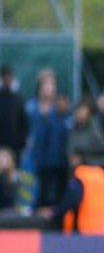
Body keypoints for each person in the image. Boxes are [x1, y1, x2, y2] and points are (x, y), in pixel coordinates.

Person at [41, 152, 104, 236]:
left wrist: (54, 213)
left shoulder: (81, 176)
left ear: (78, 158)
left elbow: (71, 200)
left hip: (84, 230)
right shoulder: (102, 175)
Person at [28, 70, 70, 208]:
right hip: (33, 155)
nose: (48, 87)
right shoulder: (30, 106)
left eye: (51, 84)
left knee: (52, 193)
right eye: (45, 84)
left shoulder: (61, 108)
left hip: (55, 158)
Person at [68, 100, 104, 172]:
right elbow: (70, 146)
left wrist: (82, 156)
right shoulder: (74, 128)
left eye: (82, 111)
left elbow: (103, 146)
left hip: (95, 167)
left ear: (88, 112)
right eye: (78, 111)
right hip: (78, 169)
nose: (79, 113)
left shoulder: (96, 127)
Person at [0, 65, 27, 164]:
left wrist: (21, 143)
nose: (7, 80)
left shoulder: (18, 99)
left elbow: (23, 124)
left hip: (15, 148)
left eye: (9, 77)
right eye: (4, 78)